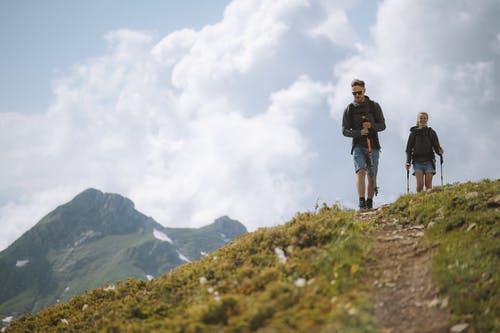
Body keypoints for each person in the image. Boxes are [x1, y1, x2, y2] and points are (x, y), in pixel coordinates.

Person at [342, 79, 386, 210]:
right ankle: (361, 202)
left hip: (374, 146)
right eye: (354, 93)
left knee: (372, 175)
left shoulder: (374, 106)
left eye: (359, 92)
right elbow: (344, 131)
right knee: (360, 171)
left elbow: (383, 126)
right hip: (358, 146)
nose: (357, 96)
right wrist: (359, 132)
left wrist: (371, 126)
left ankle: (369, 202)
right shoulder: (349, 109)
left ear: (364, 90)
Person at [405, 112, 443, 192]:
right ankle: (419, 201)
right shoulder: (413, 133)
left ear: (427, 120)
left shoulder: (431, 132)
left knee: (428, 185)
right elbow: (408, 149)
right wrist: (408, 162)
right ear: (418, 120)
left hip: (429, 161)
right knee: (420, 185)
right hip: (417, 162)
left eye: (424, 118)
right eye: (421, 118)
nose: (423, 120)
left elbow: (436, 146)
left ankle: (428, 203)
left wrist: (439, 152)